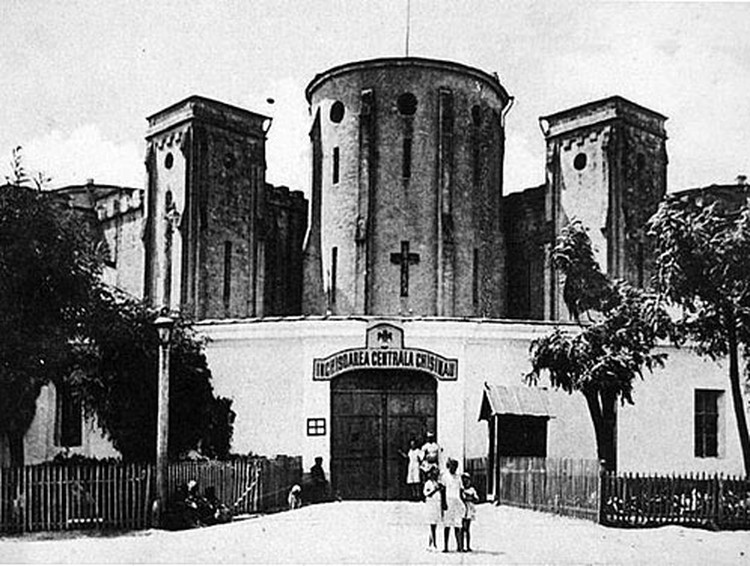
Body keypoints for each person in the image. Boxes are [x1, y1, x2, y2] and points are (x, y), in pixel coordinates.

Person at [441, 458, 465, 552]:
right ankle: (445, 547)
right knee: (447, 525)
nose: (454, 468)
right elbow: (443, 490)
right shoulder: (445, 476)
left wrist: (462, 503)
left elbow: (461, 490)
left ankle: (459, 546)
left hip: (457, 502)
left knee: (458, 524)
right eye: (452, 466)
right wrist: (443, 503)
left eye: (455, 467)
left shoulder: (458, 477)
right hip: (448, 501)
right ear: (449, 466)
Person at [422, 467, 442, 551]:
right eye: (434, 474)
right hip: (431, 505)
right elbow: (427, 494)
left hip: (437, 505)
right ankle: (434, 544)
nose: (436, 475)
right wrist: (435, 490)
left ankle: (430, 544)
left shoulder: (437, 483)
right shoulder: (428, 483)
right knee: (432, 525)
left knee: (434, 525)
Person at [460, 473, 479, 552]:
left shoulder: (472, 489)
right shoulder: (461, 489)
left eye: (467, 480)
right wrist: (469, 497)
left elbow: (476, 498)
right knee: (462, 528)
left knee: (467, 529)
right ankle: (461, 546)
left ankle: (467, 546)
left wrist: (471, 498)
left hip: (470, 509)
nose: (466, 482)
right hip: (462, 509)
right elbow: (462, 498)